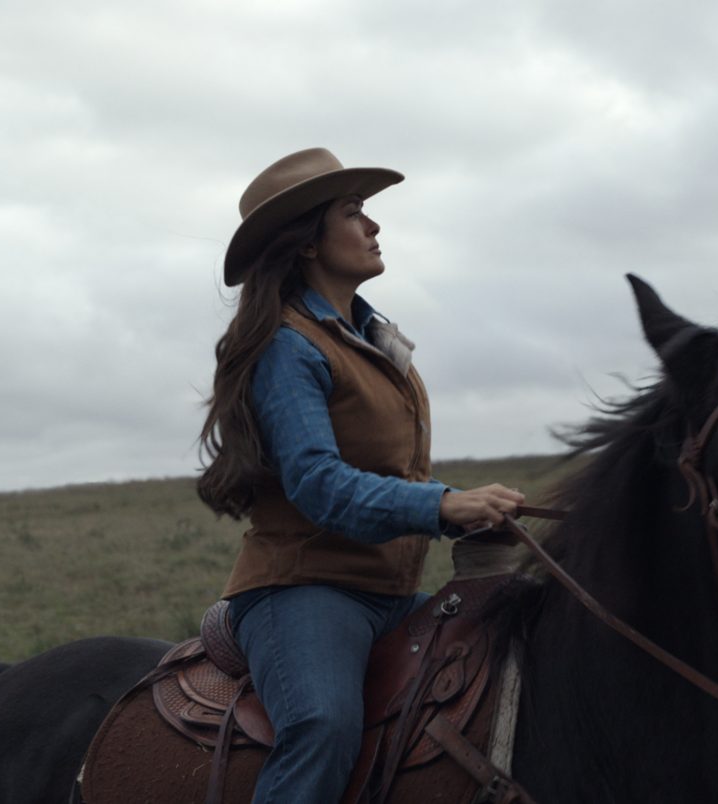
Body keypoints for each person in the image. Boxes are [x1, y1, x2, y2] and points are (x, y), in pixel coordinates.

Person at [195, 147, 525, 803]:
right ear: (307, 243)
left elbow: (387, 470)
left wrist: (467, 508)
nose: (372, 227)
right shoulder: (288, 346)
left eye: (368, 213)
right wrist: (445, 506)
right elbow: (320, 485)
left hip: (391, 591)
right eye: (353, 213)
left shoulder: (371, 337)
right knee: (323, 724)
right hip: (304, 589)